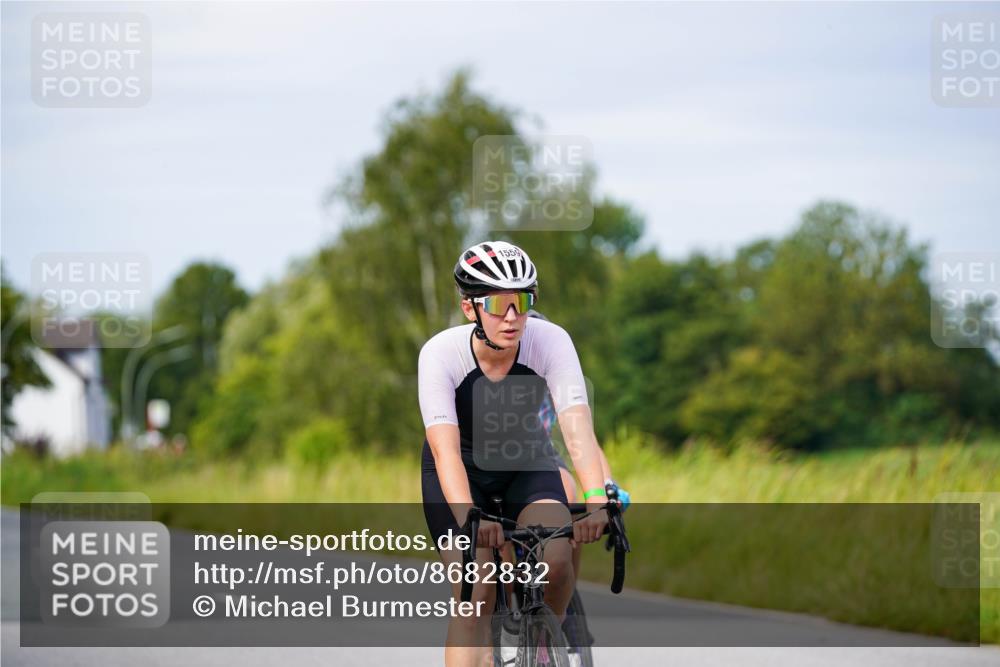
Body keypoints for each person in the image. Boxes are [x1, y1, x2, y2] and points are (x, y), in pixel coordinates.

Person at [419, 241, 610, 667]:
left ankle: (544, 645)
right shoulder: (440, 353)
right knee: (478, 589)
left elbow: (576, 427)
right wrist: (471, 513)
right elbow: (445, 451)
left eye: (522, 302)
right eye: (500, 304)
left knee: (557, 560)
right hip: (461, 472)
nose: (513, 316)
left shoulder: (551, 340)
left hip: (526, 462)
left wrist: (597, 499)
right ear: (470, 308)